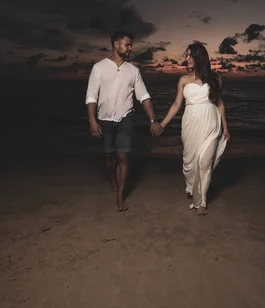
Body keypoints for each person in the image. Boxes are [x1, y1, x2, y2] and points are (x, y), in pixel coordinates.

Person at [85, 30, 163, 212]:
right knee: (109, 157)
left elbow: (144, 97)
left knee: (123, 156)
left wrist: (153, 120)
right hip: (104, 120)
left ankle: (120, 194)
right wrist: (92, 120)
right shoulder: (99, 68)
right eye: (127, 44)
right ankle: (112, 178)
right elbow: (91, 96)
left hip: (125, 119)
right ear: (116, 45)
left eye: (130, 45)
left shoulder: (133, 71)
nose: (130, 48)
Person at [158, 42, 230, 216]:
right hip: (190, 124)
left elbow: (219, 103)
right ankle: (192, 186)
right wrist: (162, 124)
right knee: (190, 163)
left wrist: (225, 127)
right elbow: (176, 104)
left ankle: (201, 202)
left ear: (199, 57)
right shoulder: (183, 80)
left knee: (205, 163)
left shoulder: (215, 79)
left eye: (190, 55)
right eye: (187, 55)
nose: (187, 58)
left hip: (211, 124)